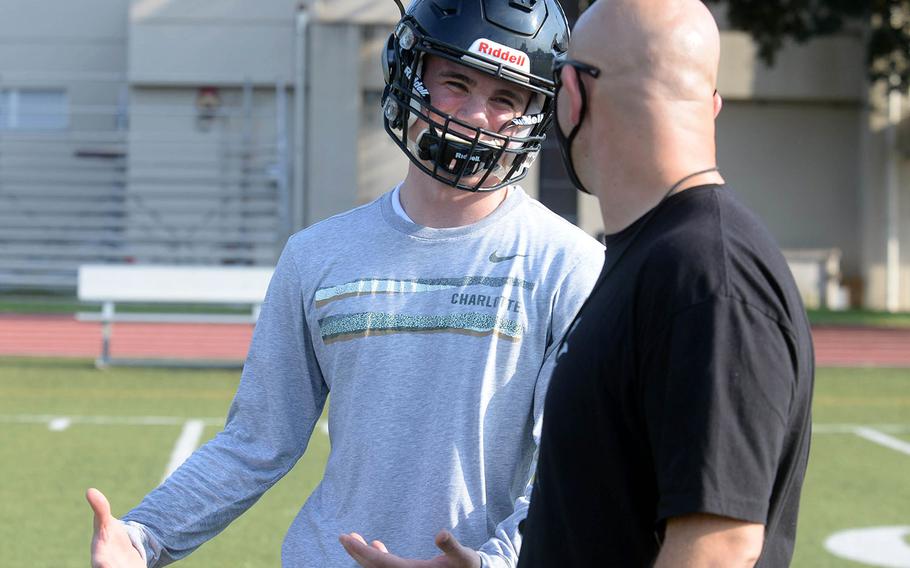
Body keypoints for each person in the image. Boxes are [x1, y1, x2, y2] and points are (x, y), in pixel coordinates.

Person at [87, 1, 604, 567]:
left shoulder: (569, 265)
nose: (479, 115)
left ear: (538, 110)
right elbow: (258, 441)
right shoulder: (317, 255)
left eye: (506, 97)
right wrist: (144, 537)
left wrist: (492, 563)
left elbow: (574, 464)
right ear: (411, 74)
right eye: (457, 83)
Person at [516, 0, 815, 566]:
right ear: (712, 106)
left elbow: (718, 549)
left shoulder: (705, 273)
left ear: (575, 93)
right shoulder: (661, 258)